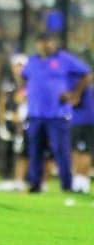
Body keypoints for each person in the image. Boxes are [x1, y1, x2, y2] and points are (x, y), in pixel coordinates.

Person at [21, 32, 92, 193]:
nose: (45, 45)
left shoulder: (64, 59)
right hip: (35, 114)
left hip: (57, 115)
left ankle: (67, 184)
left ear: (54, 42)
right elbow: (24, 78)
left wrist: (76, 94)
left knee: (61, 150)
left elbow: (86, 74)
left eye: (48, 42)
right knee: (35, 149)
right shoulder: (32, 61)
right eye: (41, 42)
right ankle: (35, 183)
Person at [0, 54, 29, 192]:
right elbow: (1, 103)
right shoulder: (8, 82)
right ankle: (7, 180)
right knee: (7, 150)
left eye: (21, 65)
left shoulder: (30, 82)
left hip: (24, 121)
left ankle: (20, 180)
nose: (19, 68)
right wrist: (1, 123)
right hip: (9, 120)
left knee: (23, 151)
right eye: (16, 65)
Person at [69, 75, 94, 194]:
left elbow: (74, 101)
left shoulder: (80, 85)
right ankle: (79, 181)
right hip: (82, 122)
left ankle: (81, 183)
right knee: (78, 151)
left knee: (82, 152)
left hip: (83, 122)